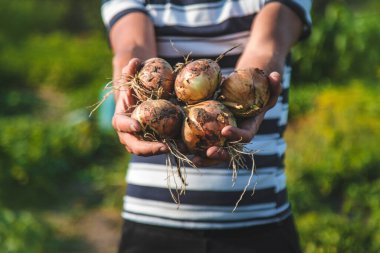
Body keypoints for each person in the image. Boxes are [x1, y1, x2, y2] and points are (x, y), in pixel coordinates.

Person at [100, 0, 312, 252]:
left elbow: (269, 43)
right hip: (151, 216)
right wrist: (130, 86)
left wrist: (254, 87)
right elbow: (131, 45)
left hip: (260, 217)